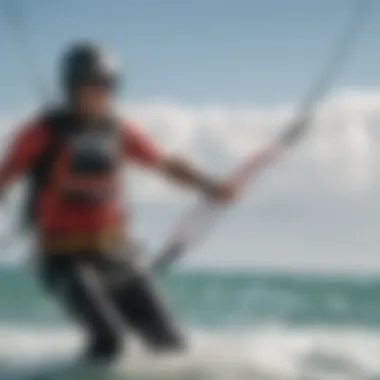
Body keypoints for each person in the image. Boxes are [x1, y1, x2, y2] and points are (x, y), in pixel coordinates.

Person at [0, 42, 239, 363]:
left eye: (108, 85)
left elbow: (164, 163)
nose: (101, 93)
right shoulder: (43, 133)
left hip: (115, 255)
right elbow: (5, 176)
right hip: (64, 260)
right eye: (93, 84)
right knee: (110, 341)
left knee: (170, 345)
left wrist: (210, 186)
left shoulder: (117, 131)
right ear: (72, 86)